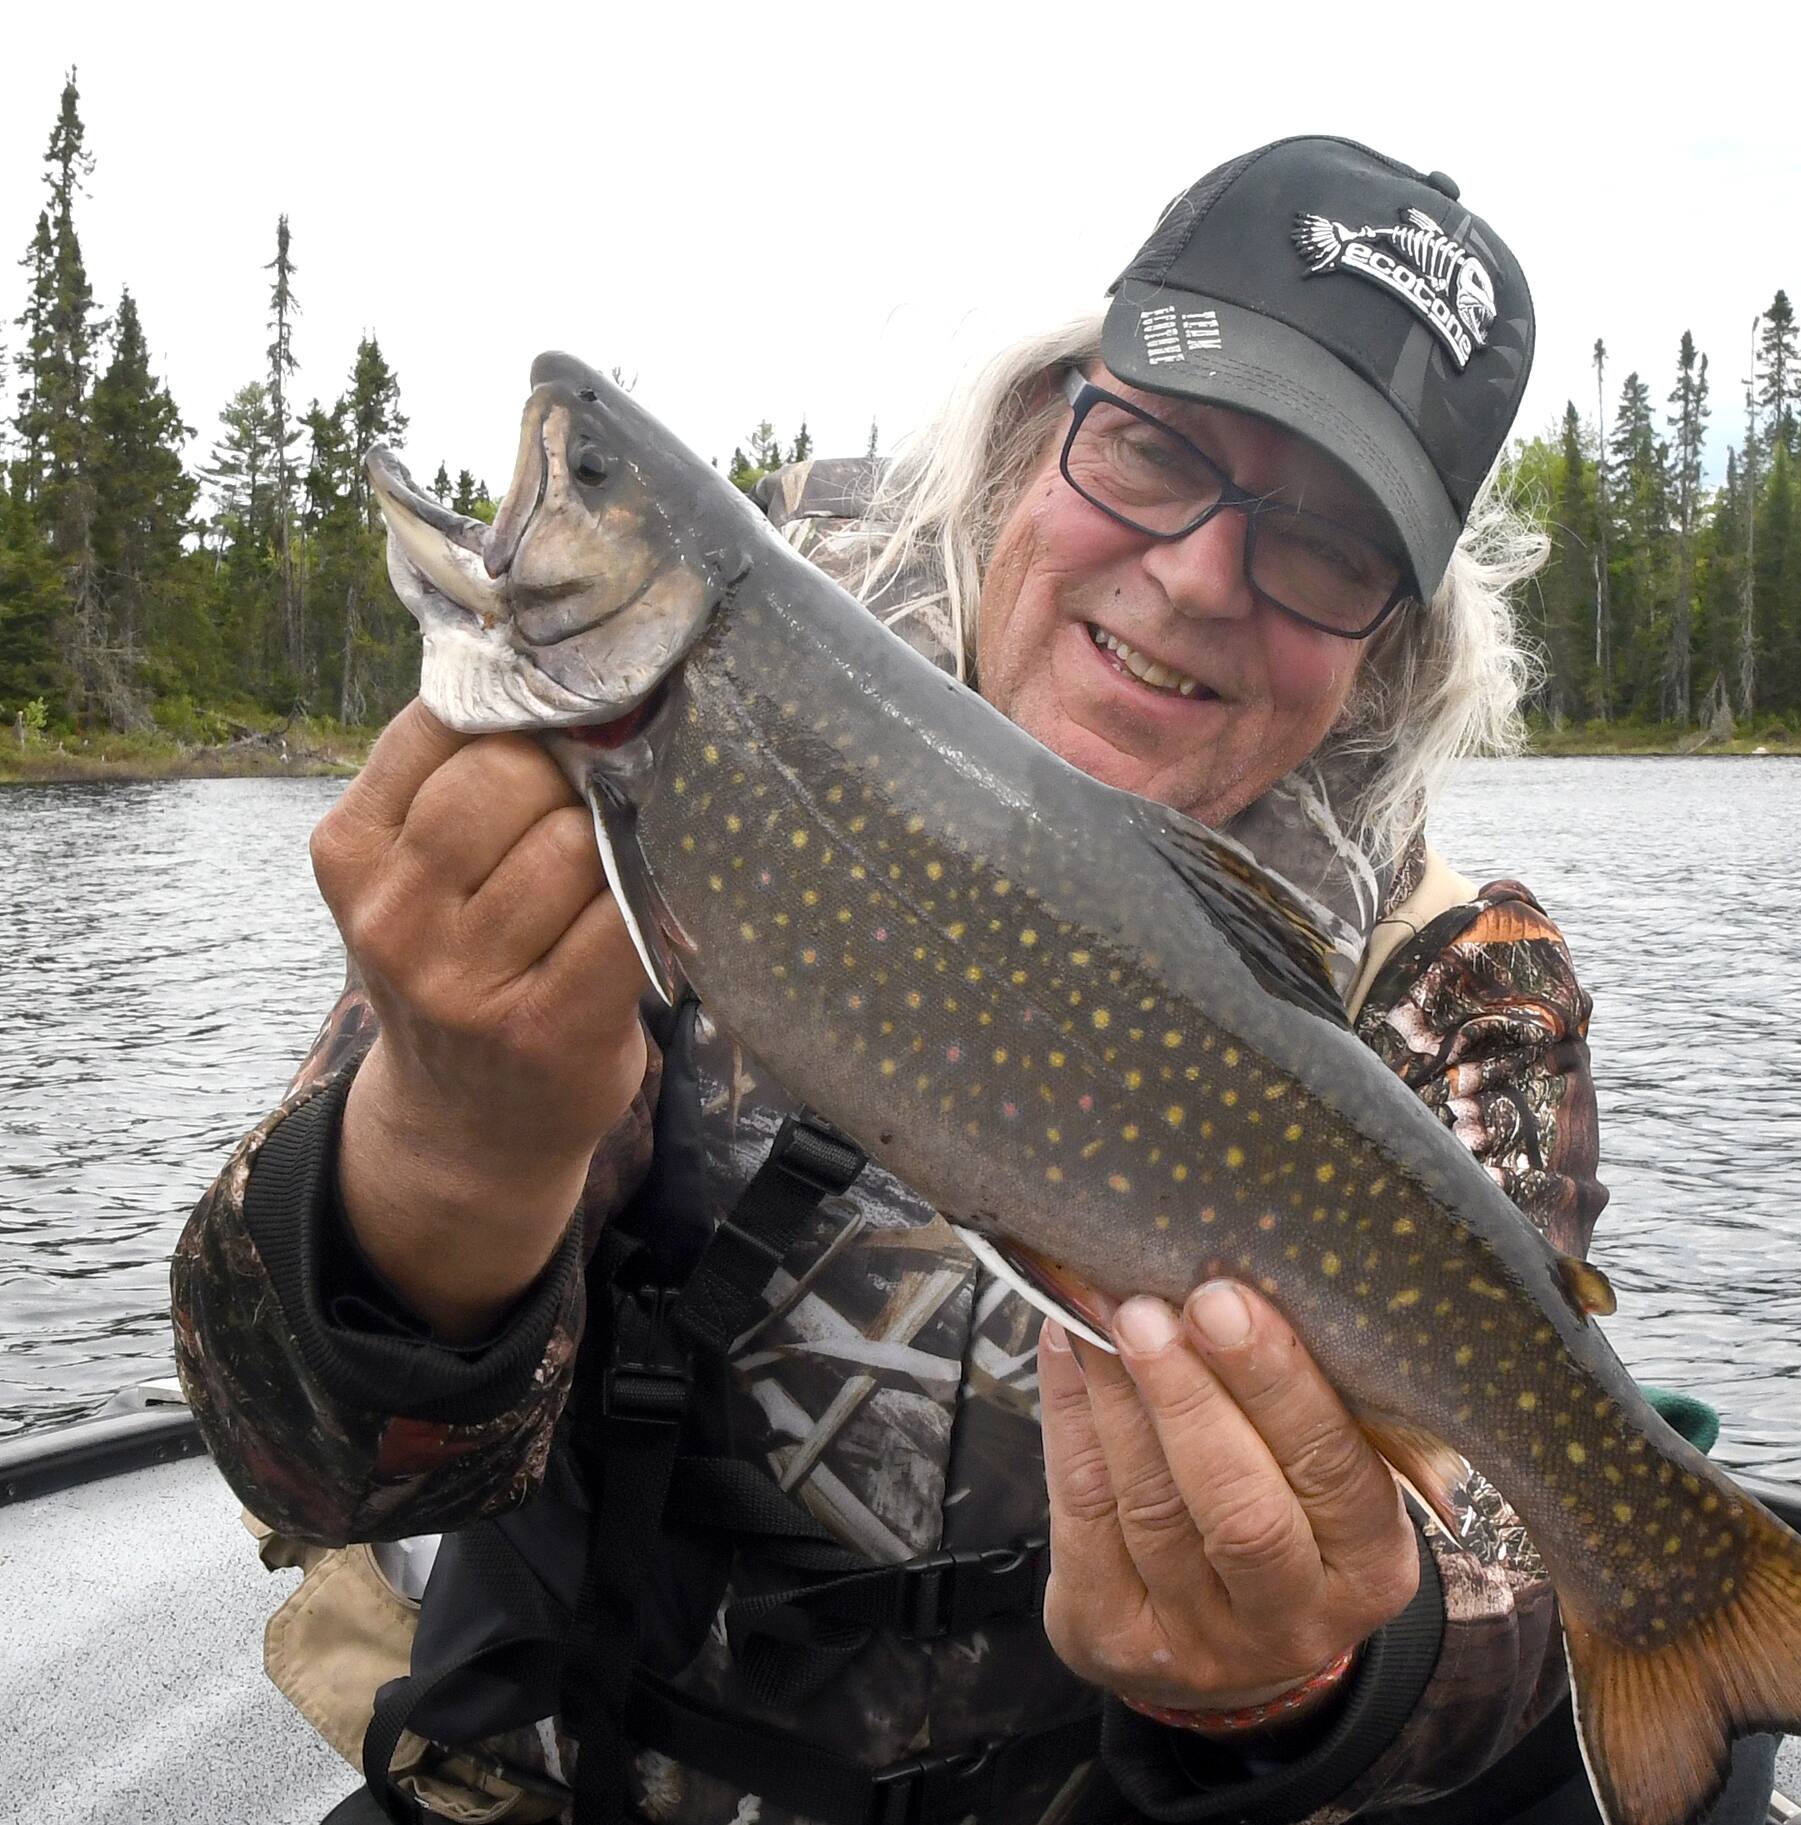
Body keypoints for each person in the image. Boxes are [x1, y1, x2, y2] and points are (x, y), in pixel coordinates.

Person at [173, 136, 1611, 1825]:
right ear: (1037, 428)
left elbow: (1528, 1603)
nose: (1200, 576)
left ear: (1397, 632)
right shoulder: (688, 744)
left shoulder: (1454, 991)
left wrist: (1306, 1681)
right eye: (1154, 450)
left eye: (1323, 545)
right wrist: (445, 1154)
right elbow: (303, 1459)